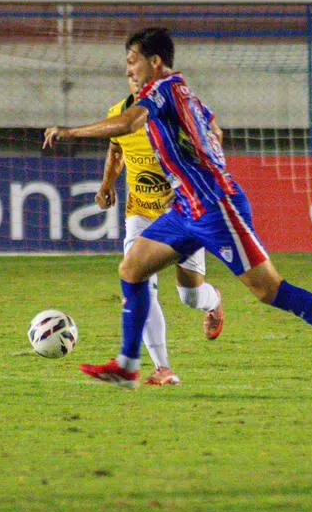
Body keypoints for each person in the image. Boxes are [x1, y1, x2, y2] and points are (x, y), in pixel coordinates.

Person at [43, 28, 312, 391]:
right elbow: (215, 131)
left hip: (214, 206)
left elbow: (129, 123)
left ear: (155, 62)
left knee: (269, 291)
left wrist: (70, 132)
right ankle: (128, 364)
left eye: (132, 62)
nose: (129, 71)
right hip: (187, 206)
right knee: (133, 267)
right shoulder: (187, 94)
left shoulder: (162, 90)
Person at [96, 74, 227, 386]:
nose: (133, 78)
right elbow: (116, 151)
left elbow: (213, 136)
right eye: (128, 73)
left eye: (137, 71)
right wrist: (106, 184)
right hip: (139, 212)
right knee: (139, 281)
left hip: (182, 212)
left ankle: (213, 301)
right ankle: (162, 367)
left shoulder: (177, 114)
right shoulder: (118, 115)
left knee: (190, 296)